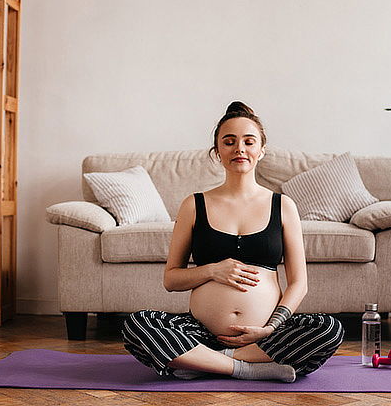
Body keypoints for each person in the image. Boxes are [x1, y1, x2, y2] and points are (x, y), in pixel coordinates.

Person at [122, 101, 344, 382]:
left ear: (261, 150)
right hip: (201, 332)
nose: (239, 148)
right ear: (217, 152)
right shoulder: (194, 204)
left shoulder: (283, 206)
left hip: (264, 333)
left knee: (328, 328)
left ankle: (202, 362)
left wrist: (270, 328)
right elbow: (171, 279)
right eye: (229, 141)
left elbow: (299, 282)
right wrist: (213, 270)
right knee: (138, 324)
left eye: (249, 142)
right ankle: (246, 369)